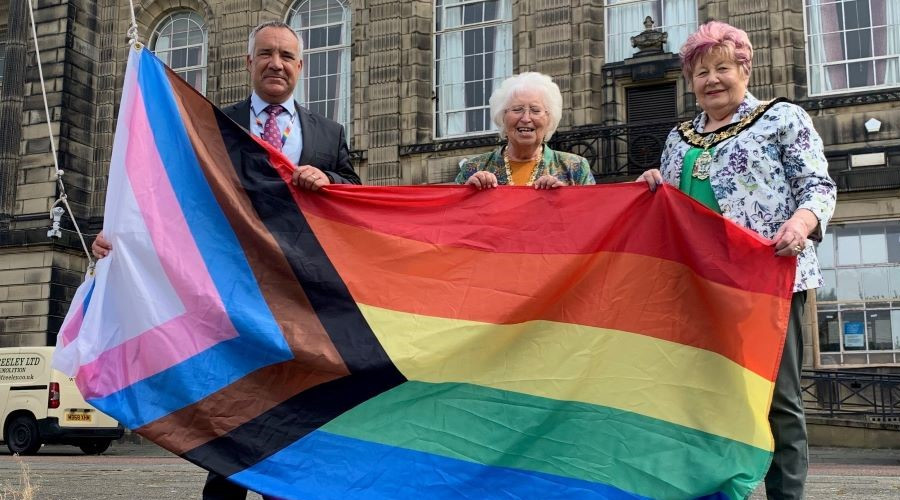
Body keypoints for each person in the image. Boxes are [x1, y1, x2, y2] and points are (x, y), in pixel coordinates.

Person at [91, 20, 360, 500]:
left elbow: (357, 202)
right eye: (266, 54)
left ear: (301, 67)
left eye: (286, 56)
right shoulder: (213, 123)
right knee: (236, 400)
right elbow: (171, 196)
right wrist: (122, 239)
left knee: (294, 400)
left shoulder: (328, 132)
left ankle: (284, 488)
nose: (276, 63)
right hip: (230, 288)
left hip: (301, 292)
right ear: (249, 62)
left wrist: (332, 181)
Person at [636, 21, 836, 500]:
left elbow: (818, 186)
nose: (712, 80)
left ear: (745, 68)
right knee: (705, 399)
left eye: (722, 68)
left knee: (777, 400)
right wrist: (652, 186)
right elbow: (671, 211)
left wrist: (801, 224)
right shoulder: (679, 138)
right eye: (701, 72)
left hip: (769, 281)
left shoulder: (781, 117)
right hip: (700, 289)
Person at [455, 72, 596, 189]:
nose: (526, 118)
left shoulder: (575, 168)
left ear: (549, 118)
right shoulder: (474, 167)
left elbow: (591, 217)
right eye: (517, 109)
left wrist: (564, 199)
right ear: (502, 116)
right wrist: (467, 194)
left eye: (535, 110)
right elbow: (450, 218)